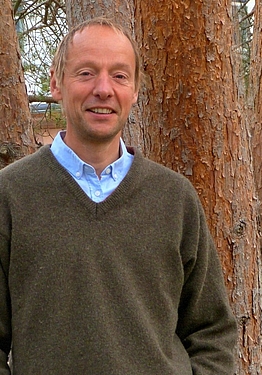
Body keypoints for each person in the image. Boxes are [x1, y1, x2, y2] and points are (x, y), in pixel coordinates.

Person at [0, 17, 237, 375]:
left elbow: (212, 332)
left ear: (136, 89)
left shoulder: (174, 199)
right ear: (55, 83)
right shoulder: (10, 194)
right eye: (86, 73)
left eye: (120, 75)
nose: (104, 89)